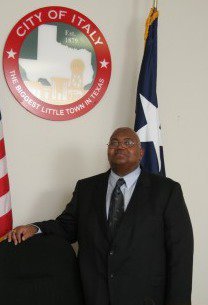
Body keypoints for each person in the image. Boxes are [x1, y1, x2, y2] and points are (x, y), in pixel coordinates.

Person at [3, 127, 194, 305]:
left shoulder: (166, 191)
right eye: (114, 142)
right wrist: (35, 228)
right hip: (95, 295)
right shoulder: (86, 188)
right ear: (108, 150)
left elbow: (180, 253)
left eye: (128, 142)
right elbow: (66, 227)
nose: (120, 146)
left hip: (146, 297)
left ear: (141, 152)